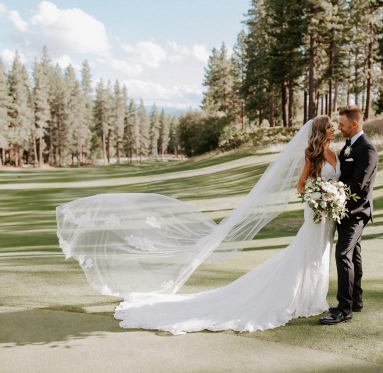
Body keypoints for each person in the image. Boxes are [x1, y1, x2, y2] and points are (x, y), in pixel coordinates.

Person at [56, 116, 345, 334]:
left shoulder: (337, 153)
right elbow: (300, 186)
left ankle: (314, 297)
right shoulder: (312, 154)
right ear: (321, 132)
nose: (334, 129)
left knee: (319, 254)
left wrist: (334, 195)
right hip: (316, 212)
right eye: (330, 127)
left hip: (329, 214)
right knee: (307, 252)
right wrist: (318, 196)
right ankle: (299, 298)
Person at [319, 106, 378, 325]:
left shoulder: (367, 149)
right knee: (353, 254)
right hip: (344, 210)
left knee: (342, 253)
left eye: (342, 124)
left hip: (357, 211)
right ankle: (355, 301)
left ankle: (344, 310)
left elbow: (359, 185)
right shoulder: (348, 147)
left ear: (354, 124)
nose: (339, 128)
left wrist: (331, 192)